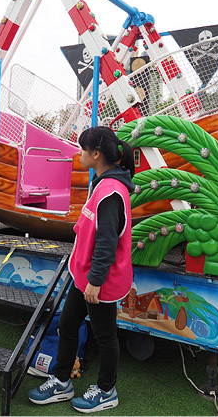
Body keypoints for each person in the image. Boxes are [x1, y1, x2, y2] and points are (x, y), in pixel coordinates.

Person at [28, 126, 134, 413]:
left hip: (100, 281)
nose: (79, 153)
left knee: (105, 336)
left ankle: (106, 391)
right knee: (67, 324)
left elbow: (107, 241)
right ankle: (62, 381)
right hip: (83, 274)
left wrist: (96, 281)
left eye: (83, 149)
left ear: (96, 154)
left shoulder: (111, 191)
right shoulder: (101, 182)